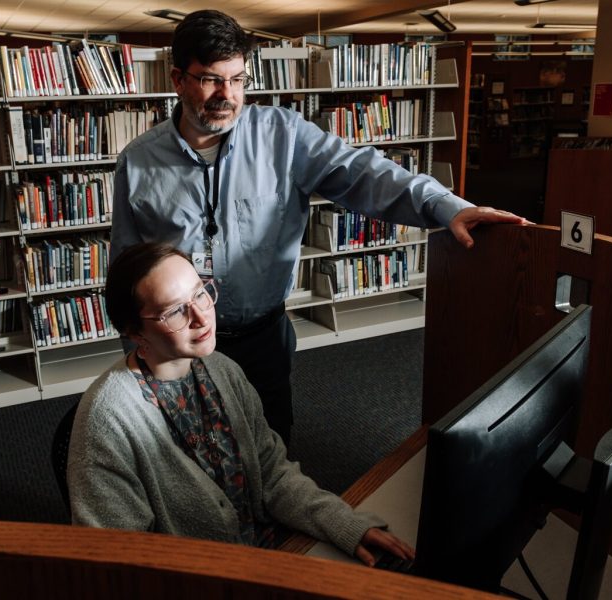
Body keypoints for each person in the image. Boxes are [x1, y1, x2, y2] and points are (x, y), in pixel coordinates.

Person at [110, 9, 530, 445]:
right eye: (212, 79)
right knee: (184, 453)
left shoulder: (283, 136)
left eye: (238, 80)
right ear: (178, 80)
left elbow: (364, 172)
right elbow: (126, 268)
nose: (228, 95)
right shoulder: (138, 161)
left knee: (271, 445)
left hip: (261, 339)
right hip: (175, 345)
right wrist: (137, 358)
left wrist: (444, 205)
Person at [67, 242, 411, 565]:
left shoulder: (221, 368)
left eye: (200, 294)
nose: (202, 318)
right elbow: (121, 559)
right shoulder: (108, 418)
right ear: (134, 331)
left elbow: (272, 474)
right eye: (174, 312)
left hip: (268, 554)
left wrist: (342, 523)